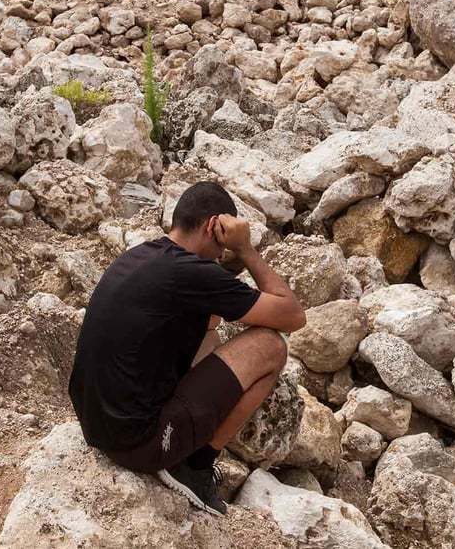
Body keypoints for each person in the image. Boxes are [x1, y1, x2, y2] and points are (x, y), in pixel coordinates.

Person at [69, 181, 306, 516]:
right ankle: (195, 466)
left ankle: (183, 443)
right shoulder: (192, 275)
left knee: (210, 330)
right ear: (214, 226)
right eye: (221, 246)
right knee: (271, 347)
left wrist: (228, 263)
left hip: (98, 426)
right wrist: (246, 250)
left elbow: (210, 312)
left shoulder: (144, 256)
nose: (222, 256)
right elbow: (293, 316)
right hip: (139, 444)